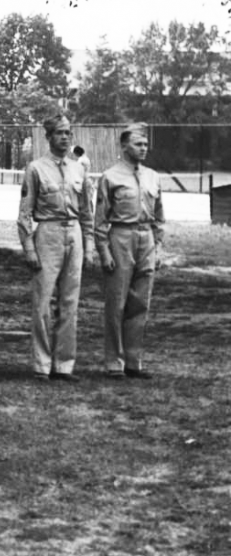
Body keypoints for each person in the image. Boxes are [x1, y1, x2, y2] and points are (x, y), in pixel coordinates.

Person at [17, 114, 95, 383]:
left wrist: (90, 244)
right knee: (42, 303)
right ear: (48, 137)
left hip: (73, 233)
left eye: (68, 133)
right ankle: (41, 364)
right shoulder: (36, 168)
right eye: (59, 133)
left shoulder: (79, 169)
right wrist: (29, 247)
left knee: (70, 302)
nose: (64, 137)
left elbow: (87, 212)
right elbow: (25, 213)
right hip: (47, 233)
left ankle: (63, 365)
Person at [95, 123, 165, 380]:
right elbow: (100, 220)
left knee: (140, 303)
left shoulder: (153, 176)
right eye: (138, 144)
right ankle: (114, 362)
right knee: (117, 302)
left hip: (145, 237)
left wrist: (158, 248)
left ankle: (134, 361)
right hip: (120, 237)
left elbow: (159, 217)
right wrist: (104, 251)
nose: (143, 148)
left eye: (146, 144)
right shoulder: (110, 177)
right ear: (124, 146)